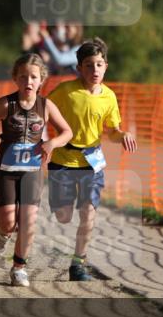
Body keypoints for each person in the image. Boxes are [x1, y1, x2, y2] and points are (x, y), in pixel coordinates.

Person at [0, 54, 72, 287]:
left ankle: (19, 268)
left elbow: (67, 132)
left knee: (28, 221)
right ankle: (3, 233)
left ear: (41, 80)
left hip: (32, 171)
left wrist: (51, 143)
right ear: (15, 79)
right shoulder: (5, 104)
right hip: (6, 171)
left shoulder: (46, 106)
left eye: (33, 77)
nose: (28, 81)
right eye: (23, 77)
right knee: (8, 222)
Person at [47, 38, 136, 281]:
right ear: (79, 68)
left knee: (88, 213)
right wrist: (42, 137)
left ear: (106, 66)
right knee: (64, 216)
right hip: (63, 160)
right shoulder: (66, 91)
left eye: (98, 64)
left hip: (92, 163)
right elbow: (43, 110)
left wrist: (123, 135)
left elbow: (112, 131)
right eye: (88, 65)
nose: (94, 70)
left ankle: (78, 265)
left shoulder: (109, 97)